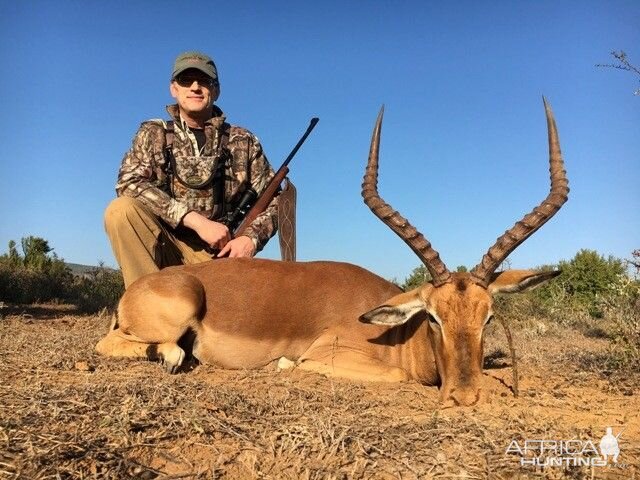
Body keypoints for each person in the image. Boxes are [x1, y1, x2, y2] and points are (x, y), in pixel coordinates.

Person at [105, 51, 279, 288]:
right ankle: (148, 309)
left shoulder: (243, 140)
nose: (195, 87)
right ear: (174, 89)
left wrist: (250, 239)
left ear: (215, 91)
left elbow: (277, 199)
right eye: (186, 81)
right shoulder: (153, 133)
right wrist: (195, 221)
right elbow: (128, 183)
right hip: (165, 247)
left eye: (204, 81)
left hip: (218, 257)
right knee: (120, 210)